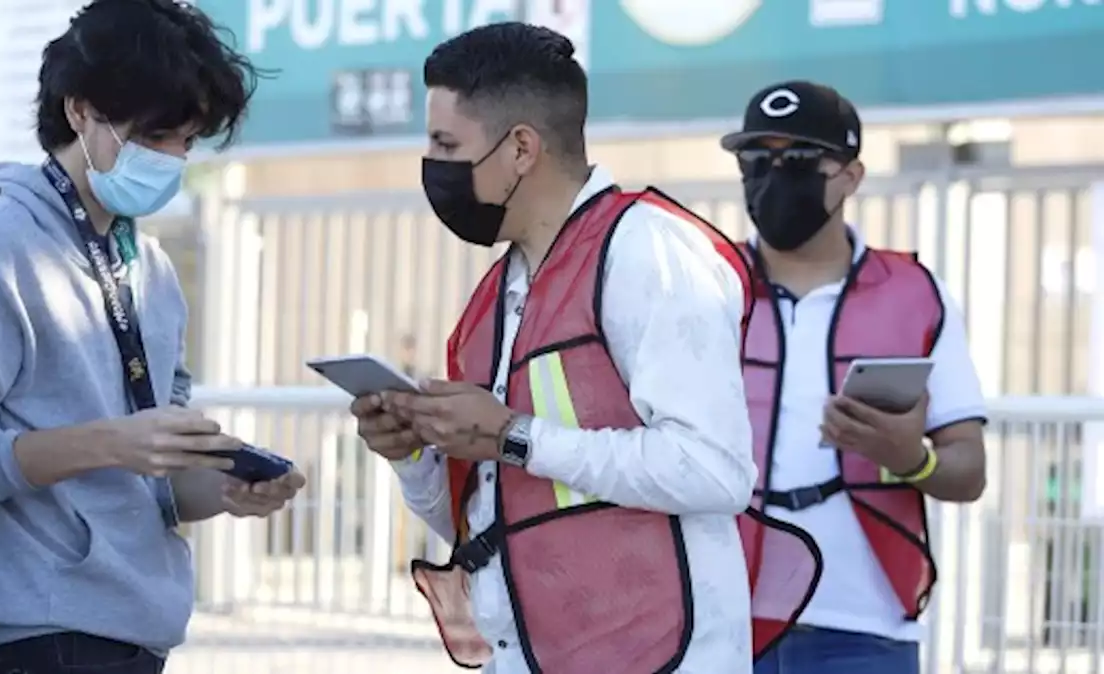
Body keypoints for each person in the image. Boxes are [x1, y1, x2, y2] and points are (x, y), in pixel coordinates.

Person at [351, 22, 814, 674]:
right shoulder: (499, 291)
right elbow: (481, 507)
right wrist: (414, 456)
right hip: (530, 653)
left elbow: (715, 470)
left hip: (661, 653)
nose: (433, 166)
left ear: (520, 148)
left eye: (446, 143)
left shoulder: (647, 250)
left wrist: (513, 435)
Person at [0, 1, 305, 672]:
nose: (173, 158)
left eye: (188, 141)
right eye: (158, 135)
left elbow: (153, 484)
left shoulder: (152, 266)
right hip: (43, 637)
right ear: (80, 111)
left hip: (138, 632)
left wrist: (226, 492)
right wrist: (112, 441)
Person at [719, 81, 988, 674]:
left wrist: (909, 458)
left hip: (863, 630)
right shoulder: (708, 288)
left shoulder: (916, 295)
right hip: (720, 620)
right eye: (756, 160)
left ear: (850, 175)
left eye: (798, 160)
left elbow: (969, 471)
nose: (773, 176)